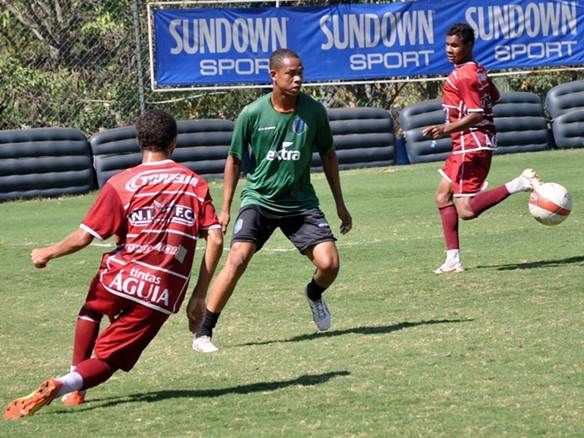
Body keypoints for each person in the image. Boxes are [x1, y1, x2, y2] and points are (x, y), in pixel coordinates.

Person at [4, 110, 223, 420]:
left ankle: (75, 386)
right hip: (162, 288)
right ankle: (65, 384)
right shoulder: (194, 184)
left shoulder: (122, 183)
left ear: (138, 142)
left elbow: (84, 237)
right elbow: (214, 238)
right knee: (109, 360)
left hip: (120, 274)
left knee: (91, 310)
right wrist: (199, 295)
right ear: (174, 143)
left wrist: (47, 252)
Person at [191, 48, 352, 353]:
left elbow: (329, 155)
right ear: (273, 76)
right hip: (259, 200)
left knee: (329, 264)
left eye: (301, 72)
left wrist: (340, 204)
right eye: (291, 73)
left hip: (300, 203)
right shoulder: (252, 114)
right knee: (237, 259)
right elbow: (234, 160)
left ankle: (314, 294)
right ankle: (204, 333)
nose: (298, 79)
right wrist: (224, 208)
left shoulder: (314, 112)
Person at [422, 23, 541, 274]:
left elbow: (476, 114)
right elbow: (494, 98)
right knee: (442, 196)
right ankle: (452, 259)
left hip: (471, 143)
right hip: (464, 143)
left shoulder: (464, 74)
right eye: (447, 45)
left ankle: (520, 183)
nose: (449, 50)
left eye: (455, 45)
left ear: (468, 45)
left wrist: (445, 128)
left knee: (465, 210)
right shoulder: (478, 70)